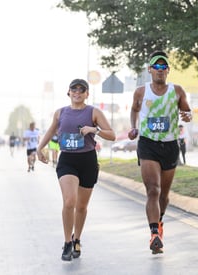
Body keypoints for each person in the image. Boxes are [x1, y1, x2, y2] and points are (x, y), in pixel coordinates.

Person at [36, 78, 116, 261]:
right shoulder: (60, 113)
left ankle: (77, 238)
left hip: (87, 160)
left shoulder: (93, 112)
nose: (77, 92)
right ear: (69, 92)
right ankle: (67, 243)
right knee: (69, 201)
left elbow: (111, 135)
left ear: (87, 93)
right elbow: (50, 131)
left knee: (81, 206)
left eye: (82, 90)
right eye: (74, 89)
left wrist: (93, 129)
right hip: (68, 160)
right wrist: (39, 148)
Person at [128, 51, 192, 254]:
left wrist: (187, 115)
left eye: (164, 68)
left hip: (170, 145)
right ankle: (154, 233)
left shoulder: (177, 90)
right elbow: (134, 109)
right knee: (153, 190)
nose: (160, 71)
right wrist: (133, 126)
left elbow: (187, 111)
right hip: (148, 144)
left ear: (168, 71)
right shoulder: (140, 91)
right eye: (156, 67)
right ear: (150, 70)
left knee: (164, 194)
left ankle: (160, 221)